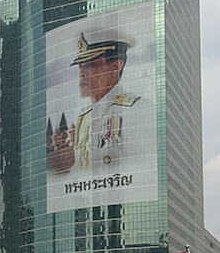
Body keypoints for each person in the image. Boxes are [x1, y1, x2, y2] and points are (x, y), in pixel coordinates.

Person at [47, 29, 146, 176]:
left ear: (115, 66)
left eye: (89, 64)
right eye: (80, 65)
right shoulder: (84, 116)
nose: (82, 72)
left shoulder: (138, 108)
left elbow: (142, 165)